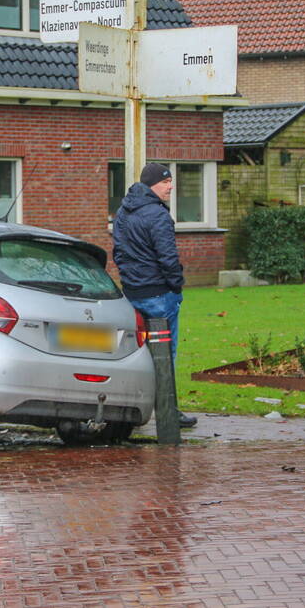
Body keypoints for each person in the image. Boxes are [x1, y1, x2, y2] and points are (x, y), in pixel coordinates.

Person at [112, 162, 197, 429]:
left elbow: (119, 253)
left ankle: (134, 407)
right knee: (165, 356)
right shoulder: (158, 215)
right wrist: (176, 286)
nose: (170, 186)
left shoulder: (123, 212)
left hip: (132, 293)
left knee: (136, 354)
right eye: (165, 182)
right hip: (159, 295)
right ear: (151, 185)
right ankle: (168, 411)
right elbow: (168, 257)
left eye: (171, 181)